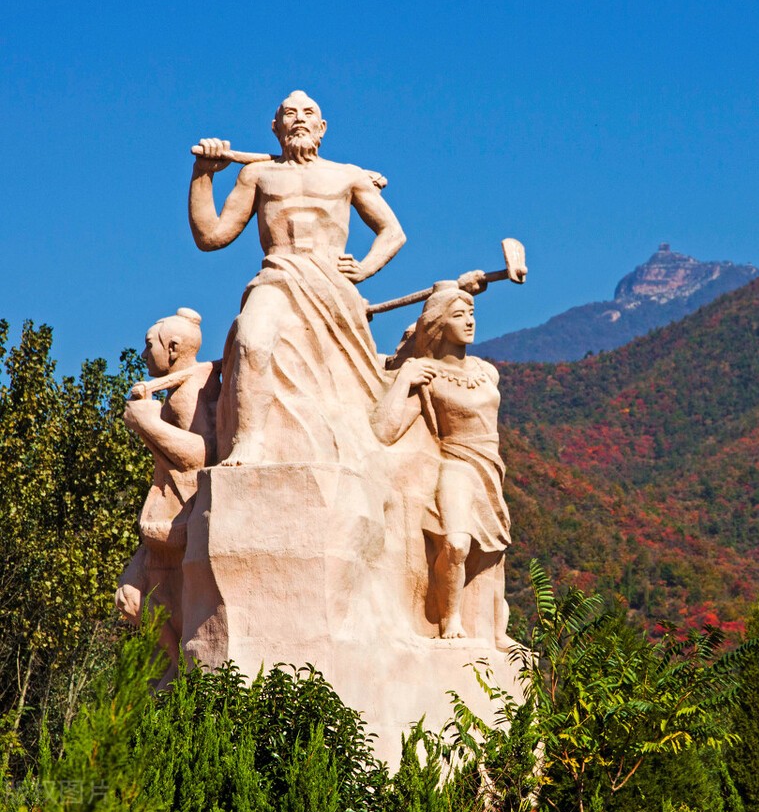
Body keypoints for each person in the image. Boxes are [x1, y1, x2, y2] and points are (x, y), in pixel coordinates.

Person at [189, 90, 406, 465]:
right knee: (251, 340)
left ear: (322, 128)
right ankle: (249, 441)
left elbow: (393, 232)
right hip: (278, 276)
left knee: (343, 383)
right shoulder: (257, 174)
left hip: (333, 285)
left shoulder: (348, 176)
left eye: (309, 113)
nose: (300, 118)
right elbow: (211, 236)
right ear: (276, 127)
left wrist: (365, 268)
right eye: (290, 113)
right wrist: (203, 175)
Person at [371, 283, 514, 646]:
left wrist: (461, 286)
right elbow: (384, 431)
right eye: (458, 315)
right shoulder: (427, 375)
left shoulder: (487, 371)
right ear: (438, 323)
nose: (469, 322)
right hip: (455, 465)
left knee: (493, 552)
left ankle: (495, 630)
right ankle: (448, 619)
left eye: (472, 313)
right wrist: (403, 378)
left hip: (490, 468)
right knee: (455, 543)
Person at [118, 308, 220, 686]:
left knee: (134, 599)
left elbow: (200, 453)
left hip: (180, 518)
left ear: (173, 348)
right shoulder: (179, 387)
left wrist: (146, 422)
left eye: (150, 346)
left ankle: (178, 671)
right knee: (128, 599)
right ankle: (174, 666)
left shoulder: (187, 392)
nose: (144, 355)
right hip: (163, 523)